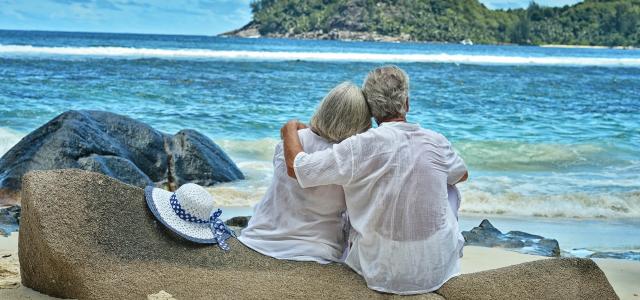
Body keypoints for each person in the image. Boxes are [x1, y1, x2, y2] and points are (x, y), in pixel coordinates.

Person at [280, 65, 468, 294]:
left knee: (354, 181)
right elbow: (462, 174)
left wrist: (290, 129)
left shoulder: (361, 145)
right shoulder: (436, 140)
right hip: (436, 270)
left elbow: (299, 169)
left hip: (379, 270)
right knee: (450, 185)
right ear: (406, 103)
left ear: (370, 110)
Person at [238, 81, 372, 263]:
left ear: (325, 108)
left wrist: (292, 128)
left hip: (260, 238)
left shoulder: (292, 141)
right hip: (318, 250)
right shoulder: (350, 158)